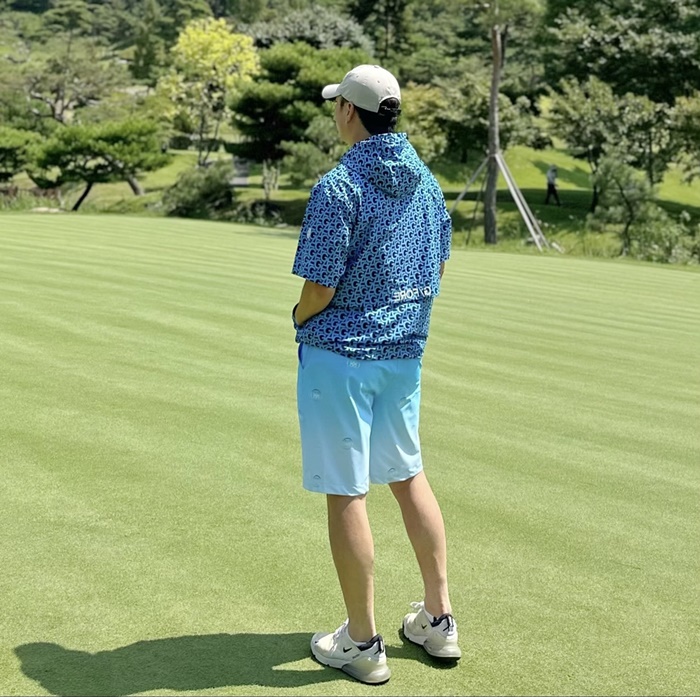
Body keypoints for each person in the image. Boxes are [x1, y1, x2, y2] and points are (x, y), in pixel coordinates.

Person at [290, 64, 460, 686]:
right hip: (403, 356)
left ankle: (362, 642)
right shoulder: (427, 182)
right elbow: (437, 269)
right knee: (409, 477)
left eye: (337, 105)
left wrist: (297, 318)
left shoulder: (338, 186)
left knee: (347, 491)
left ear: (349, 112)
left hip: (340, 357)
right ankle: (438, 619)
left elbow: (319, 287)